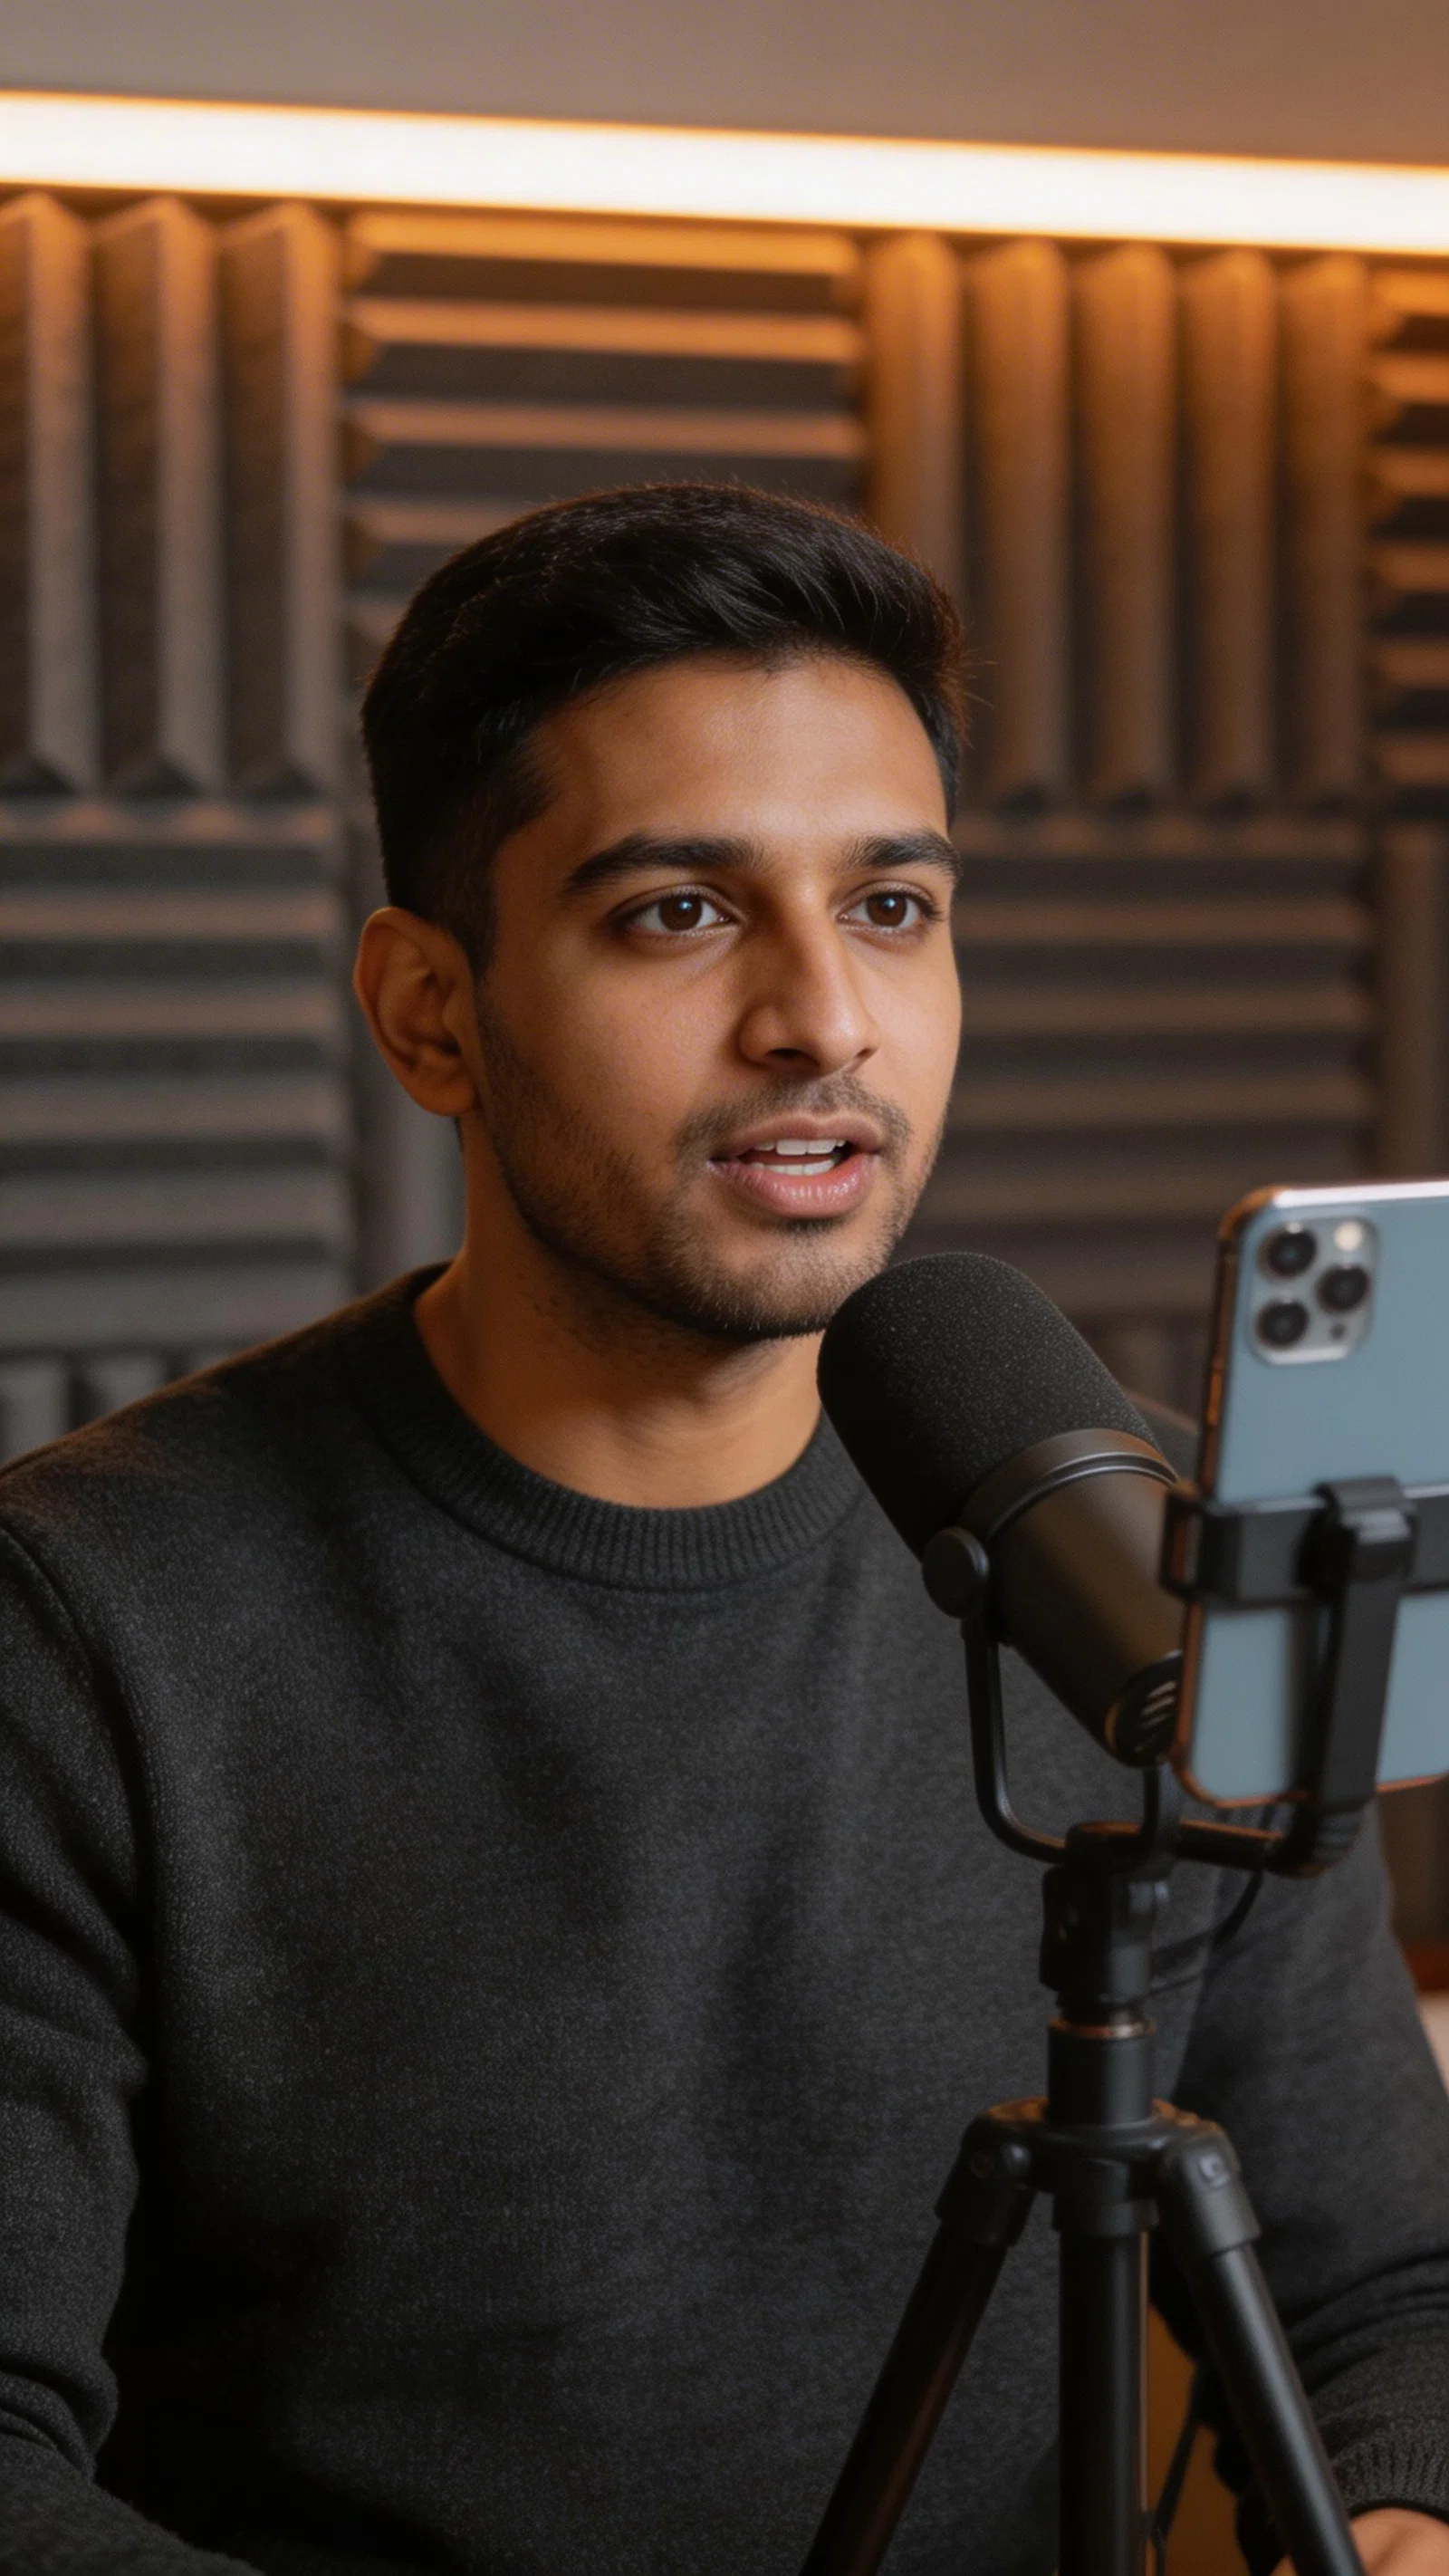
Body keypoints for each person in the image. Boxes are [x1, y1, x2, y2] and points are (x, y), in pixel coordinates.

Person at [0, 483, 1445, 2576]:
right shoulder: (82, 1624)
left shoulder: (1163, 1567)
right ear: (427, 1012)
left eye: (889, 908)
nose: (822, 1021)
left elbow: (1394, 2291)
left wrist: (1400, 2519)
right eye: (678, 910)